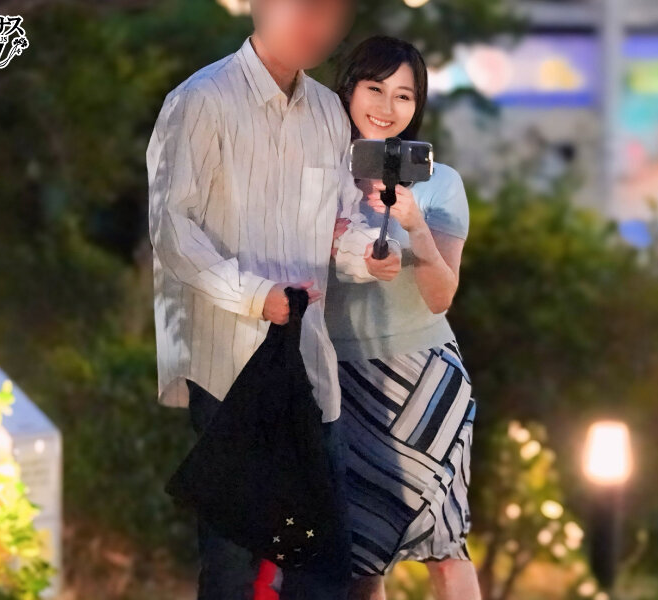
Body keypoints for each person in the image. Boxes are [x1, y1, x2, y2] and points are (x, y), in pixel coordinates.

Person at [145, 2, 402, 598]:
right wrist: (257, 296)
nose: (317, 23)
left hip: (309, 361)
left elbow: (338, 223)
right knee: (233, 560)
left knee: (323, 559)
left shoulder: (328, 113)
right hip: (229, 363)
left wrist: (366, 255)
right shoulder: (201, 100)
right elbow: (172, 229)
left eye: (331, 11)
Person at [324, 36, 482, 600]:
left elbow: (441, 296)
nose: (387, 107)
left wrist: (415, 225)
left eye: (404, 95)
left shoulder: (441, 182)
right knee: (361, 557)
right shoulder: (315, 175)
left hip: (426, 377)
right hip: (342, 375)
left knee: (446, 545)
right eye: (375, 88)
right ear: (348, 89)